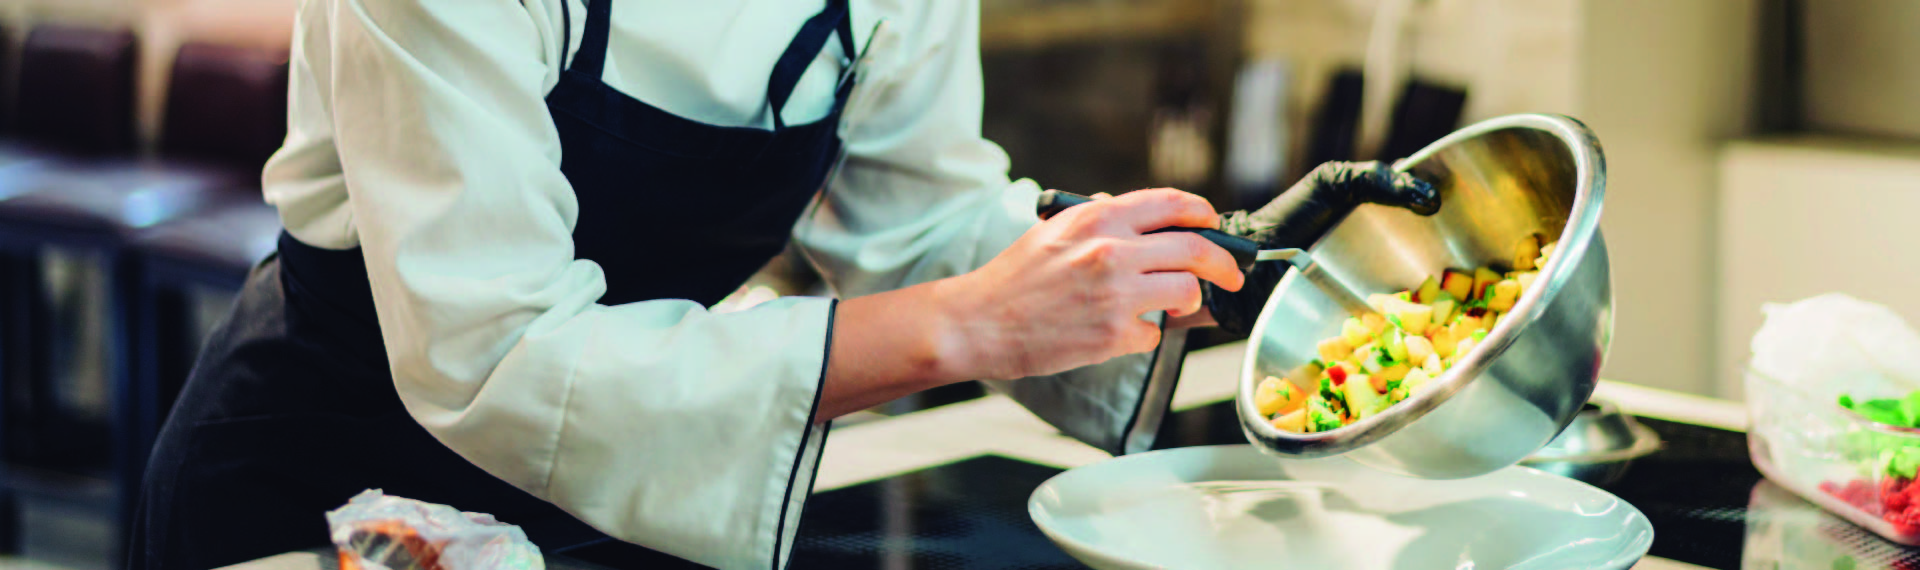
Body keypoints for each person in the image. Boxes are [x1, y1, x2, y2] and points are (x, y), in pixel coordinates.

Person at [129, 0, 1437, 568]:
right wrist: (964, 321)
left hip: (631, 505)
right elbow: (497, 354)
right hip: (326, 490)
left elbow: (925, 224)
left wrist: (1209, 268)